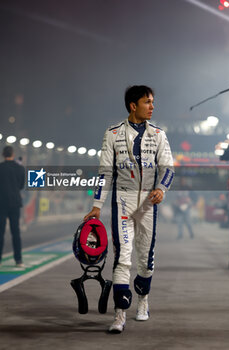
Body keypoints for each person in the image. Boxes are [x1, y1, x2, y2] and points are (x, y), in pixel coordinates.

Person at [84, 85, 174, 333]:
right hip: (122, 201)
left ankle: (143, 301)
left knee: (145, 259)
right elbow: (104, 173)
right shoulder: (112, 134)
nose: (152, 106)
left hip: (147, 203)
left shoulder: (159, 135)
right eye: (147, 102)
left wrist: (161, 189)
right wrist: (96, 206)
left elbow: (168, 169)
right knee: (122, 256)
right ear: (133, 105)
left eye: (153, 102)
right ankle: (119, 314)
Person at [0, 146, 25, 267]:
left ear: (3, 154)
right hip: (15, 203)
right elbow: (21, 186)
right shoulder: (20, 168)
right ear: (13, 154)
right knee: (16, 232)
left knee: (0, 233)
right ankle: (18, 260)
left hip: (1, 203)